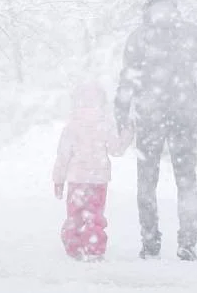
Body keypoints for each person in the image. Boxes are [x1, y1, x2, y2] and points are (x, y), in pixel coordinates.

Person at [114, 0, 197, 261]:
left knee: (147, 181)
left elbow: (127, 81)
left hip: (150, 117)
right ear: (174, 2)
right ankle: (187, 243)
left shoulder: (139, 37)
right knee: (186, 181)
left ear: (148, 3)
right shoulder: (191, 34)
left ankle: (150, 242)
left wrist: (122, 116)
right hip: (182, 115)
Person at [52, 82, 132, 261]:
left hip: (76, 180)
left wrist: (58, 180)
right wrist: (127, 134)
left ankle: (74, 246)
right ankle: (94, 248)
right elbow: (116, 150)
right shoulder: (105, 125)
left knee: (75, 215)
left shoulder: (71, 127)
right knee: (94, 216)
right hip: (98, 180)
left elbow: (62, 157)